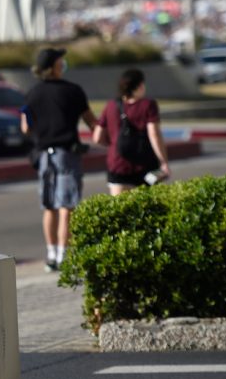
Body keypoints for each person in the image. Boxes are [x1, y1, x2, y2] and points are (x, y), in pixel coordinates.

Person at [20, 47, 97, 273]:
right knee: (67, 206)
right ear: (55, 66)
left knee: (49, 207)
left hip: (43, 155)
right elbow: (92, 121)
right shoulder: (73, 91)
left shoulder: (32, 93)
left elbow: (25, 127)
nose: (63, 65)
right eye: (61, 62)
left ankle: (51, 254)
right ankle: (64, 255)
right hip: (67, 154)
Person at [92, 68, 171, 196]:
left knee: (120, 211)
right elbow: (154, 135)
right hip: (145, 166)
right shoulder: (148, 105)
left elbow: (97, 137)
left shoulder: (111, 105)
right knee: (147, 212)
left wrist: (114, 144)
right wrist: (164, 162)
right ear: (140, 85)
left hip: (117, 165)